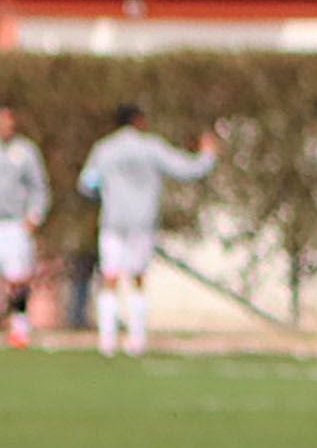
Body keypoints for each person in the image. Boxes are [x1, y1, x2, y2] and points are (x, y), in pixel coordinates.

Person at [76, 103, 217, 358]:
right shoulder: (151, 147)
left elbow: (87, 183)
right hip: (142, 222)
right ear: (138, 120)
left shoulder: (105, 149)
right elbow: (186, 169)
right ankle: (136, 340)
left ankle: (107, 341)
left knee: (110, 277)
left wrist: (108, 193)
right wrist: (207, 155)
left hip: (113, 221)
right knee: (138, 278)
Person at [0, 103, 43, 349]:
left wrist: (33, 217)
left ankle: (19, 328)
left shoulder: (26, 152)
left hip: (15, 224)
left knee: (17, 279)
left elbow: (39, 188)